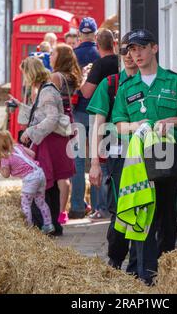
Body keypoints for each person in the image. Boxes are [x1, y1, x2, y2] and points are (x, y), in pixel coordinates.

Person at [111, 29, 177, 285]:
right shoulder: (127, 88)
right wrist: (136, 126)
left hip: (167, 158)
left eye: (140, 48)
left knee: (167, 218)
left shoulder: (174, 82)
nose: (135, 54)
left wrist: (168, 121)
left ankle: (166, 273)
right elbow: (118, 125)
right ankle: (145, 275)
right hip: (137, 162)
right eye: (130, 50)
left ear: (154, 48)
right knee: (141, 213)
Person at [87, 32, 139, 271]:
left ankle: (138, 264)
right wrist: (95, 163)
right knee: (120, 209)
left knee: (142, 207)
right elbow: (97, 124)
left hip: (148, 155)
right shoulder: (110, 84)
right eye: (125, 51)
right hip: (117, 157)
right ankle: (116, 258)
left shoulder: (152, 83)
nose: (129, 56)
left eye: (134, 50)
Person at [10, 57, 76, 236]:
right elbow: (39, 113)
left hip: (50, 142)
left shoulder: (46, 91)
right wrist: (20, 105)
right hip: (51, 140)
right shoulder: (46, 88)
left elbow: (52, 118)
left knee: (46, 184)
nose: (24, 78)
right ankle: (53, 224)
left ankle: (47, 225)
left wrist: (30, 132)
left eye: (25, 74)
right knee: (50, 184)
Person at [81, 28, 119, 220]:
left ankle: (103, 208)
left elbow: (86, 92)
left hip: (102, 116)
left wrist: (84, 77)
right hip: (121, 119)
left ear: (98, 45)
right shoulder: (120, 61)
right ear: (113, 43)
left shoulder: (100, 64)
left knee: (102, 165)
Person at [0, 131, 55, 235]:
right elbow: (33, 154)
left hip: (30, 179)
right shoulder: (18, 147)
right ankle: (48, 225)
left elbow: (6, 175)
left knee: (25, 204)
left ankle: (28, 228)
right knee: (41, 202)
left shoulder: (5, 159)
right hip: (39, 173)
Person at [70, 17, 101, 220]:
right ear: (95, 34)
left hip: (79, 110)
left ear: (80, 34)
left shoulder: (74, 55)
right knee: (98, 160)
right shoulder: (102, 54)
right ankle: (99, 207)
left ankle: (78, 207)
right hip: (99, 112)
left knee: (79, 161)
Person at [49, 43, 83, 225]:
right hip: (69, 121)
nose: (50, 55)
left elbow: (48, 100)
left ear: (60, 57)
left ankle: (57, 212)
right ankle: (62, 213)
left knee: (58, 172)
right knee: (65, 169)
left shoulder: (55, 76)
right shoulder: (73, 76)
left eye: (53, 53)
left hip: (57, 124)